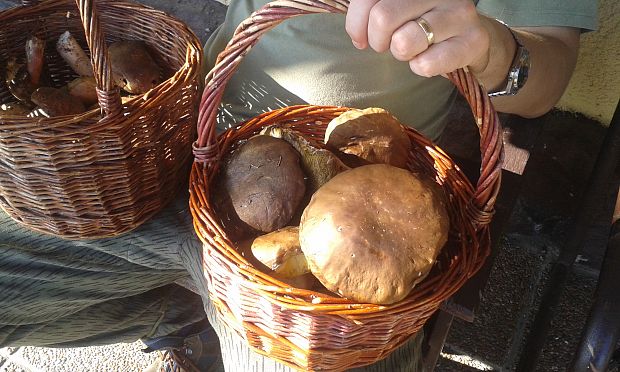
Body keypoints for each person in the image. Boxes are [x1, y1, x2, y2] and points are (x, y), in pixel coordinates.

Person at [0, 0, 596, 371]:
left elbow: (547, 72)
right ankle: (195, 316)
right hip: (181, 143)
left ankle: (218, 320)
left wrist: (491, 49)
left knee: (312, 356)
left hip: (344, 217)